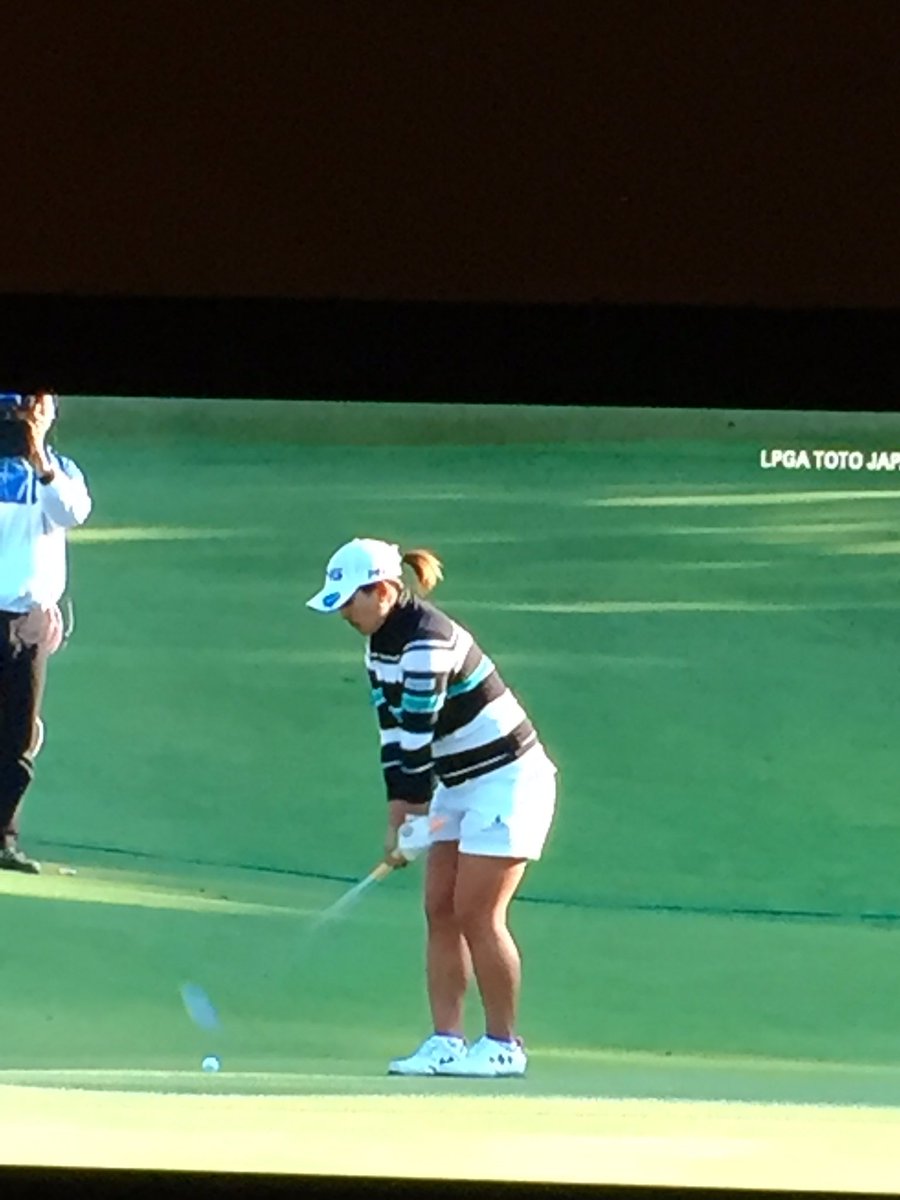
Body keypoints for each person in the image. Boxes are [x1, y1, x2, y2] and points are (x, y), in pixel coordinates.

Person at [307, 537, 557, 1077]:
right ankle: (447, 1041)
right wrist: (400, 820)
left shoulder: (428, 641)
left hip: (509, 781)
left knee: (477, 912)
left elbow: (418, 736)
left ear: (385, 590)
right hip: (459, 784)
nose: (346, 613)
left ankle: (503, 1045)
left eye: (351, 600)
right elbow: (393, 736)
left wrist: (411, 819)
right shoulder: (379, 645)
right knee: (439, 909)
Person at [0, 392, 92, 874]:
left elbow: (73, 513)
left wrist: (40, 459)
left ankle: (2, 838)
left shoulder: (59, 470)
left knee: (18, 736)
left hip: (30, 621)